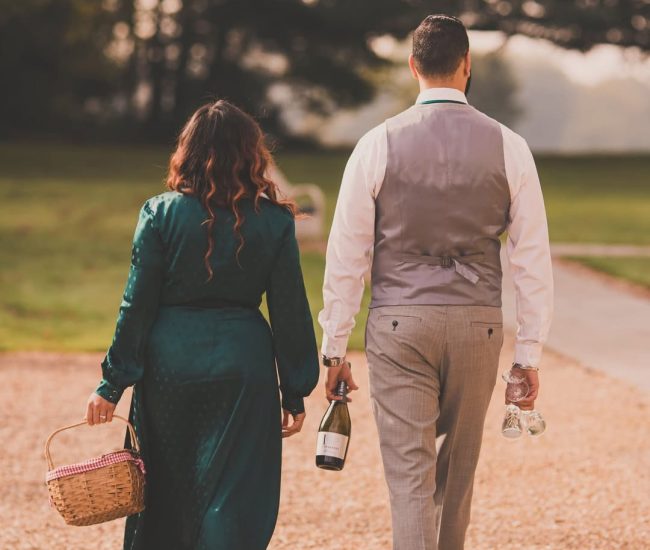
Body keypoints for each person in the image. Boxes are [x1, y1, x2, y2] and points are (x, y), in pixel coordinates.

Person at [319, 14, 553, 550]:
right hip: (477, 325)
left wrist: (334, 347)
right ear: (467, 66)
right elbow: (531, 259)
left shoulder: (376, 144)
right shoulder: (510, 146)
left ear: (412, 66)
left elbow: (347, 255)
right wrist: (529, 354)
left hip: (400, 324)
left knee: (410, 482)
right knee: (456, 478)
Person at [84, 100, 320, 550]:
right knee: (233, 496)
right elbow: (290, 309)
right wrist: (294, 388)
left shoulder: (159, 213)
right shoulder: (274, 220)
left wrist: (111, 384)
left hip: (170, 367)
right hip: (243, 367)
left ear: (187, 152)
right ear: (252, 154)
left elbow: (136, 305)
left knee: (166, 492)